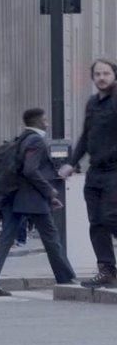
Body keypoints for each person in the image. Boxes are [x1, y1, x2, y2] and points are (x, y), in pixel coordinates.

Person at [0, 109, 76, 296]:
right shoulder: (35, 140)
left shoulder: (21, 138)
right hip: (31, 198)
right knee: (51, 238)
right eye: (45, 119)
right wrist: (49, 192)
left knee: (6, 239)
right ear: (39, 121)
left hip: (14, 197)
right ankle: (65, 278)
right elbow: (30, 170)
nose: (47, 122)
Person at [59, 58, 117, 288]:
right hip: (95, 171)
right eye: (98, 74)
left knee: (110, 216)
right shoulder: (92, 103)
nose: (102, 78)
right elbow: (85, 136)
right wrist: (72, 163)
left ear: (114, 76)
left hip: (115, 169)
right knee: (96, 222)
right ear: (93, 78)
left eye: (106, 73)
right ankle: (107, 270)